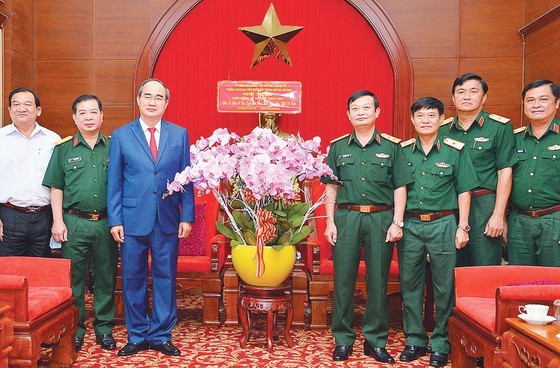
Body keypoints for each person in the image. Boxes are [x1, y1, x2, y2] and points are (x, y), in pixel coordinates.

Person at [321, 90, 412, 363]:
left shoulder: (391, 147)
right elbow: (330, 188)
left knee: (378, 282)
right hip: (346, 218)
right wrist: (329, 222)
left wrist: (398, 221)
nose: (360, 112)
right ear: (348, 115)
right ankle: (343, 339)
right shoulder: (337, 147)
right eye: (355, 109)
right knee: (344, 282)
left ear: (377, 112)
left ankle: (375, 341)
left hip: (380, 219)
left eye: (366, 108)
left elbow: (400, 186)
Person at [107, 78, 194, 357]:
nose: (152, 101)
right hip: (131, 220)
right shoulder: (121, 135)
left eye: (159, 97)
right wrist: (115, 219)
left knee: (165, 277)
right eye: (148, 96)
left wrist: (187, 215)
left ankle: (160, 334)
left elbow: (186, 178)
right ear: (138, 100)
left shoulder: (179, 134)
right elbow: (114, 181)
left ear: (166, 103)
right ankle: (136, 334)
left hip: (167, 217)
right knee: (133, 277)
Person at [398, 97, 479, 367]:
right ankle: (415, 340)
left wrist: (462, 226)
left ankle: (441, 343)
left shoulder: (455, 151)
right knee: (410, 285)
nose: (425, 120)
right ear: (412, 120)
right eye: (419, 116)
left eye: (431, 115)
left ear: (441, 119)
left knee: (444, 287)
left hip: (444, 223)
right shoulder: (403, 151)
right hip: (410, 225)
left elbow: (464, 191)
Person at [42, 94, 117, 352]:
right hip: (73, 223)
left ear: (101, 116)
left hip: (106, 223)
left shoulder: (113, 147)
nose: (88, 117)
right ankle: (76, 328)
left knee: (105, 277)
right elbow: (56, 188)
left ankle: (105, 329)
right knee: (73, 280)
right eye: (82, 113)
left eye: (93, 112)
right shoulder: (62, 149)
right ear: (74, 117)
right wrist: (58, 222)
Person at [441, 73, 515, 266]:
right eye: (461, 92)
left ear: (484, 98)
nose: (466, 96)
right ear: (453, 98)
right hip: (449, 206)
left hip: (484, 205)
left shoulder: (499, 127)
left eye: (473, 92)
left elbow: (504, 172)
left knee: (484, 265)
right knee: (451, 267)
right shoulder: (442, 129)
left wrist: (499, 214)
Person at [0, 88, 60, 257]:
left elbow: (59, 181)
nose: (21, 108)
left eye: (27, 104)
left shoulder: (53, 140)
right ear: (10, 110)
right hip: (9, 216)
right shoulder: (0, 138)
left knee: (40, 273)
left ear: (38, 110)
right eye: (16, 104)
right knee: (8, 274)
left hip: (44, 217)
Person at [507, 80, 560, 266]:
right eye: (530, 100)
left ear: (557, 103)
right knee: (518, 282)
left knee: (554, 283)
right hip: (518, 221)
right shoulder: (513, 139)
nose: (536, 105)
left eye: (543, 99)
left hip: (554, 220)